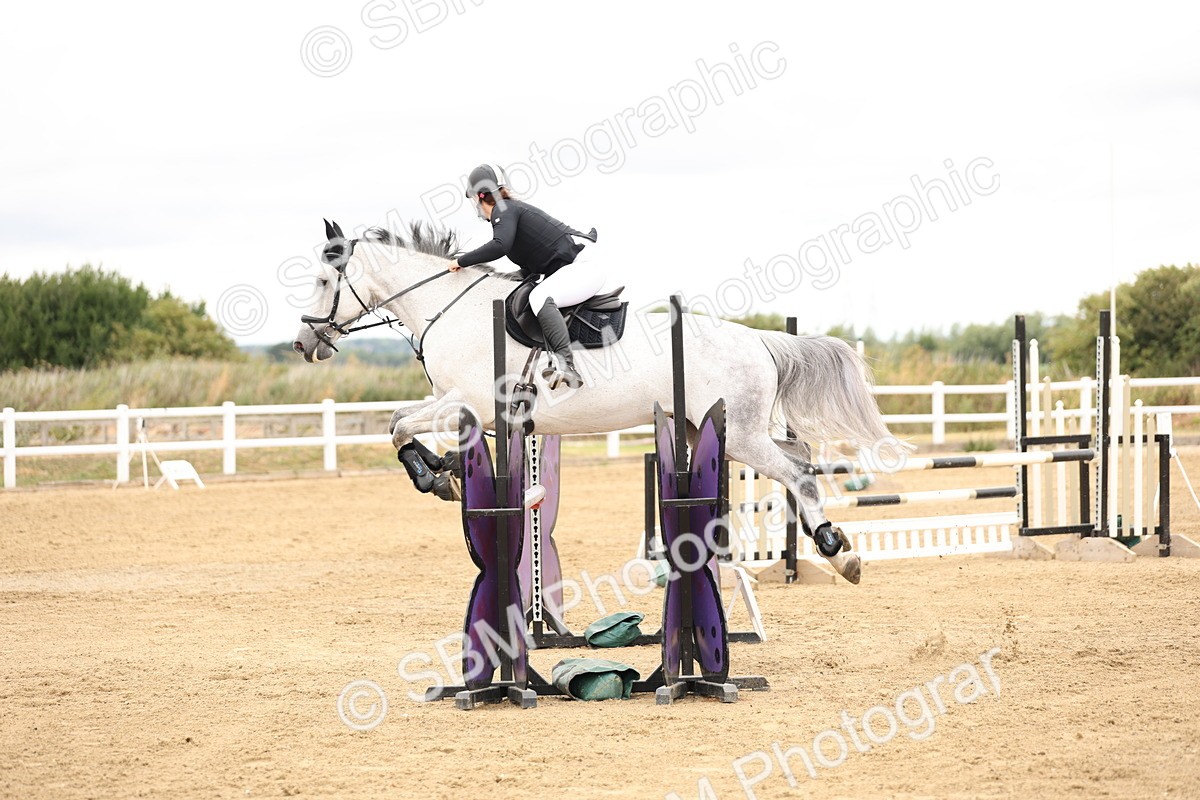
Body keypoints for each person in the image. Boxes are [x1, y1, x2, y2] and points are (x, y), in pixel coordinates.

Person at [449, 163, 603, 389]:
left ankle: (565, 365)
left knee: (540, 297)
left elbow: (499, 246)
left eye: (474, 199)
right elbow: (529, 269)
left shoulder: (504, 210)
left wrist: (461, 261)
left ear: (480, 196)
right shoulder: (509, 212)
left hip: (586, 265)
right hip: (580, 265)